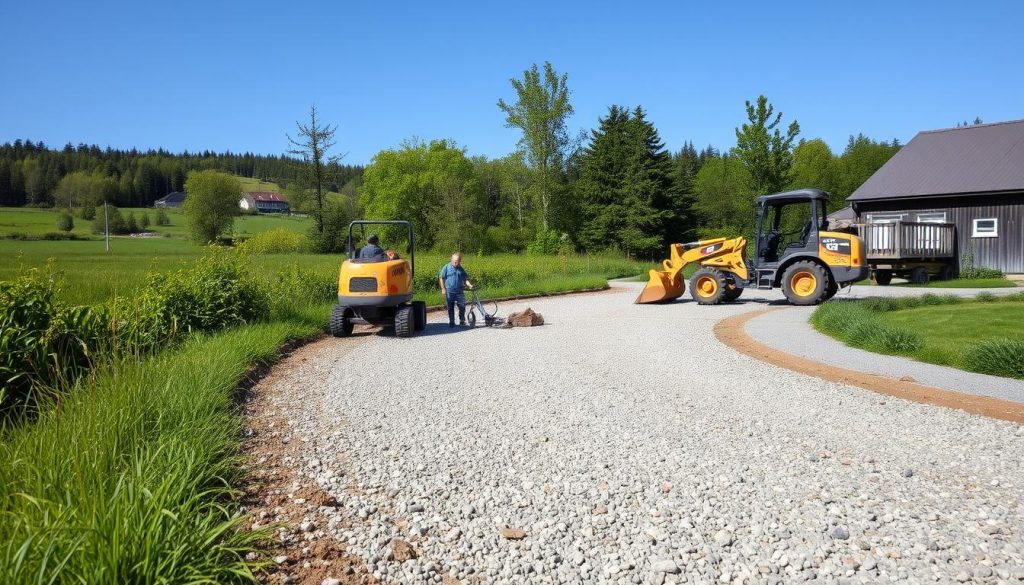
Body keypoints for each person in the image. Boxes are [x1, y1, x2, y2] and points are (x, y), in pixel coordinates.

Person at [438, 252, 474, 327]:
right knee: (450, 307)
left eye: (457, 261)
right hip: (450, 291)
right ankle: (452, 321)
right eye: (454, 260)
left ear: (459, 261)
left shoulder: (461, 269)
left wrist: (469, 285)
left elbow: (465, 279)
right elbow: (441, 278)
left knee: (462, 306)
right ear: (451, 259)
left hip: (459, 291)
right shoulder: (446, 267)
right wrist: (443, 288)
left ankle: (462, 320)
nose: (455, 262)